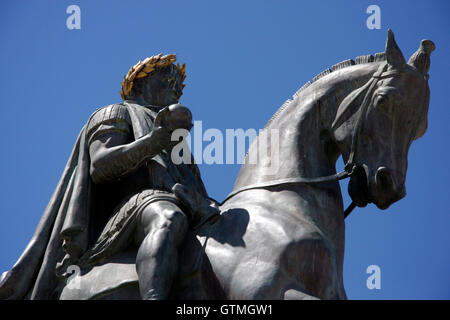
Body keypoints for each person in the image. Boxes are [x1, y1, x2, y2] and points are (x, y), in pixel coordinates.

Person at [0, 54, 219, 300]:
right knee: (168, 218)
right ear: (139, 83)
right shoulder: (115, 113)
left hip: (183, 203)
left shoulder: (177, 142)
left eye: (178, 88)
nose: (174, 90)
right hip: (132, 207)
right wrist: (153, 141)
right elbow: (101, 165)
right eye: (167, 80)